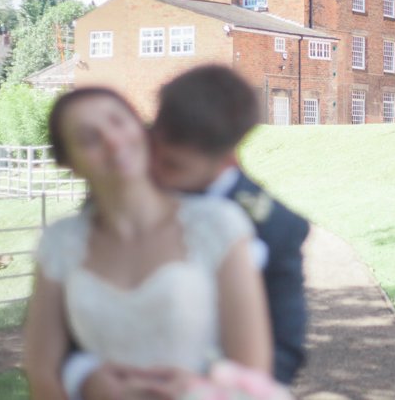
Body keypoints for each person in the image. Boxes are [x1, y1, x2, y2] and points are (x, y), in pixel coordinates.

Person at [23, 87, 291, 400]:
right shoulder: (61, 242)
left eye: (118, 122)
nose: (112, 140)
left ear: (142, 130)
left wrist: (198, 387)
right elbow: (42, 373)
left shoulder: (217, 225)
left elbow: (250, 373)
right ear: (70, 163)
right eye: (88, 137)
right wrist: (85, 383)